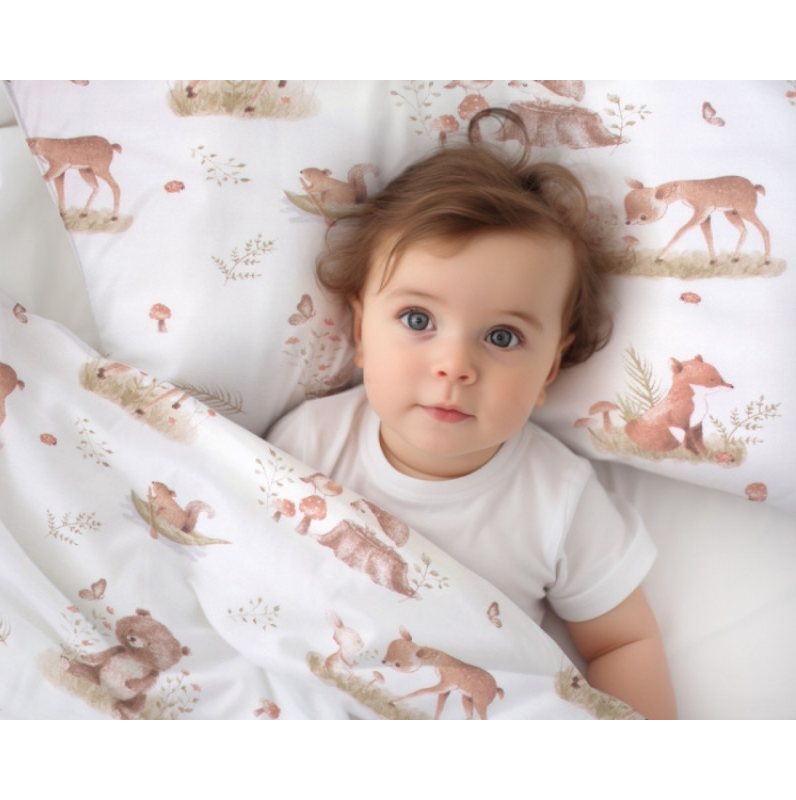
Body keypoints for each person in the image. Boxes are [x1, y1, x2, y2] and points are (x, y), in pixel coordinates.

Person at [266, 109, 676, 719]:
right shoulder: (307, 444)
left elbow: (624, 641)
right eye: (418, 320)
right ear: (361, 331)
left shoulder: (559, 499)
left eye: (503, 337)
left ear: (550, 369)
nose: (455, 366)